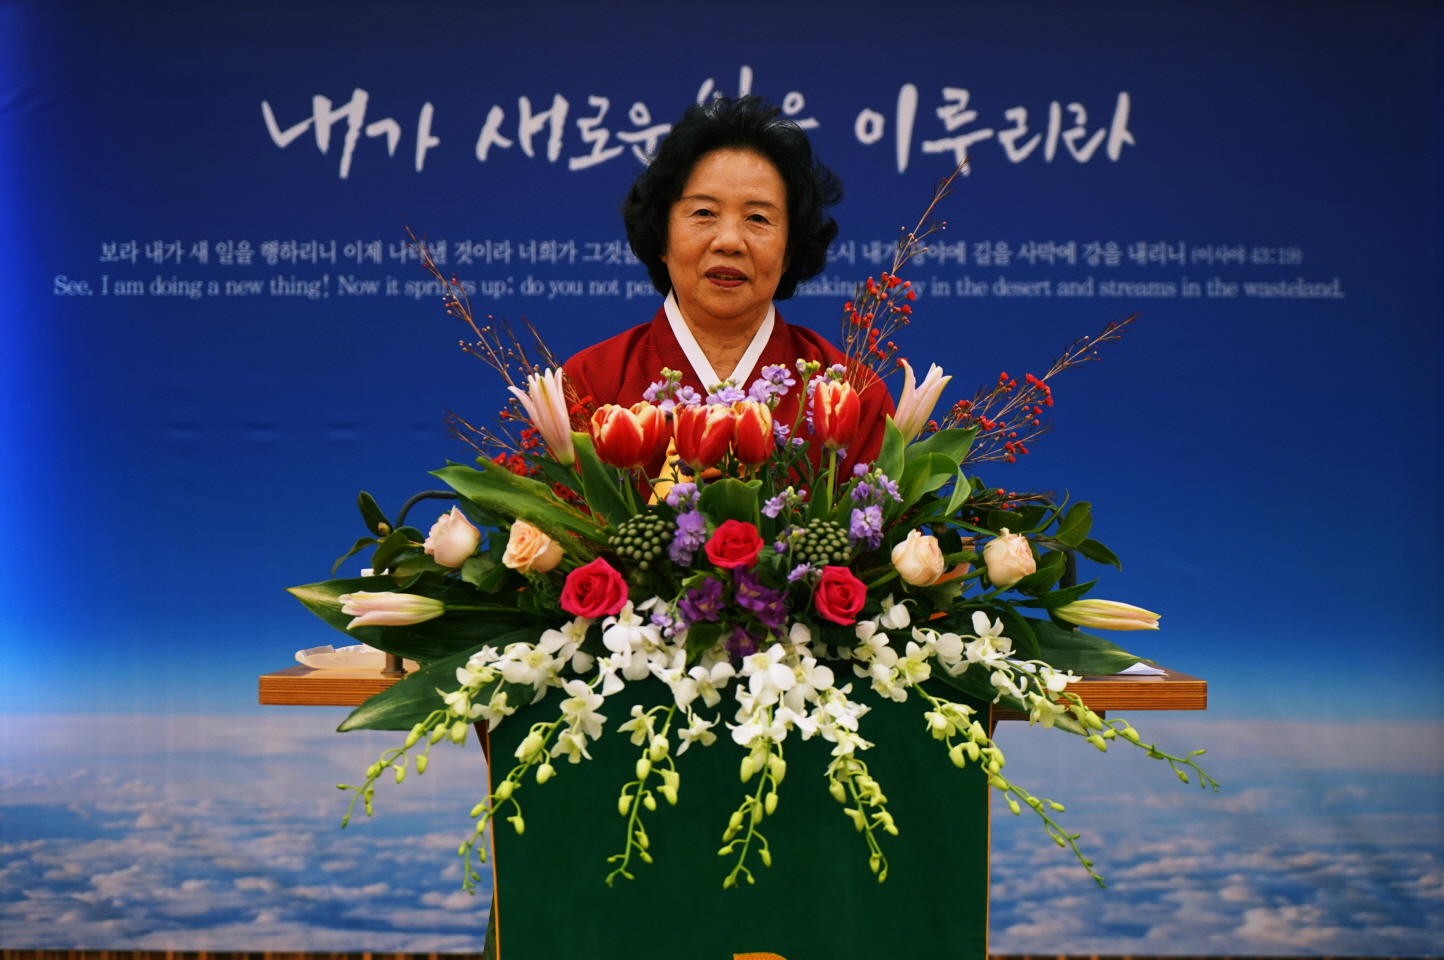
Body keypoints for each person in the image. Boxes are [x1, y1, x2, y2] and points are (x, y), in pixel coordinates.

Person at [564, 96, 894, 481]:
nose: (729, 242)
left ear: (790, 249)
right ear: (661, 235)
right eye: (704, 213)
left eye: (758, 218)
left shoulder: (850, 396)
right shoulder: (591, 381)